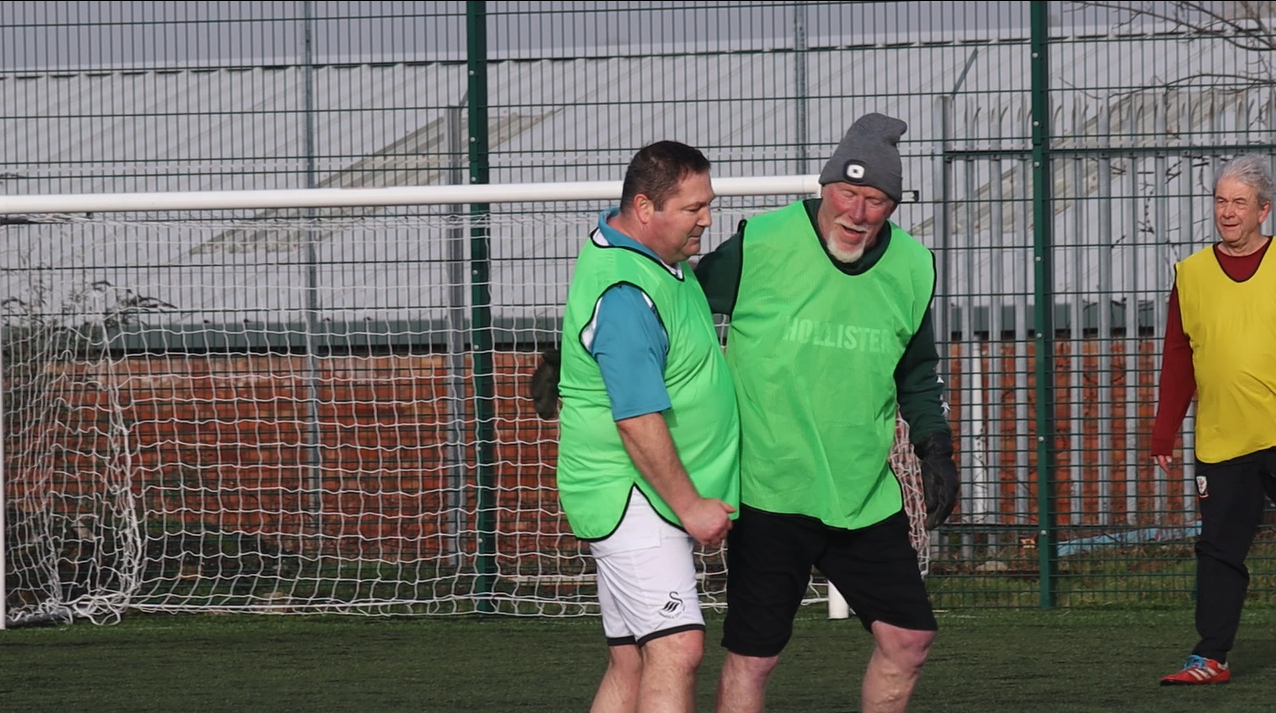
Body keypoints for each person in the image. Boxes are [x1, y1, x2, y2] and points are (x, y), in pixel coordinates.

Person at [693, 113, 959, 713]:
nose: (857, 212)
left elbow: (916, 372)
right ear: (824, 185)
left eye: (875, 200)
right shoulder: (759, 243)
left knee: (909, 638)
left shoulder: (914, 267)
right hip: (770, 488)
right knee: (753, 657)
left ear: (893, 204)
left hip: (862, 492)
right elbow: (677, 306)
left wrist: (935, 447)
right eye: (847, 192)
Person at [535, 140, 740, 712]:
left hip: (638, 494)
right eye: (693, 207)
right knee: (679, 648)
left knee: (632, 659)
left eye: (708, 203)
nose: (707, 218)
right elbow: (637, 419)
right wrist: (692, 505)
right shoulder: (626, 293)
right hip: (635, 496)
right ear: (646, 208)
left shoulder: (655, 262)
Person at [1151, 153, 1276, 686]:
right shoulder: (1192, 273)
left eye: (1239, 203)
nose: (1227, 212)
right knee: (1220, 553)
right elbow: (1178, 354)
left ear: (1263, 211)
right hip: (1222, 440)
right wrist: (1165, 426)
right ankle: (1211, 657)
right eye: (1221, 201)